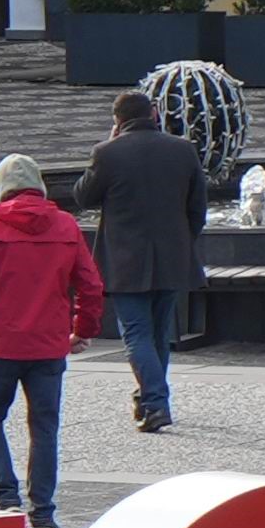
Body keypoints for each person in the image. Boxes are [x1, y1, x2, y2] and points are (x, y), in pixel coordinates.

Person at [0, 153, 106, 528]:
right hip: (49, 345)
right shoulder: (65, 224)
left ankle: (5, 497)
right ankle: (43, 514)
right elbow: (91, 285)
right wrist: (82, 330)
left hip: (2, 344)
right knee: (44, 428)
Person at [85, 80, 213, 433]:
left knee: (137, 334)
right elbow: (198, 209)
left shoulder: (107, 153)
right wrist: (182, 242)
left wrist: (108, 143)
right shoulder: (183, 150)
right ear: (154, 114)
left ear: (117, 120)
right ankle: (149, 399)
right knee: (159, 333)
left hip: (125, 262)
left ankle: (155, 402)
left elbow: (83, 196)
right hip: (173, 258)